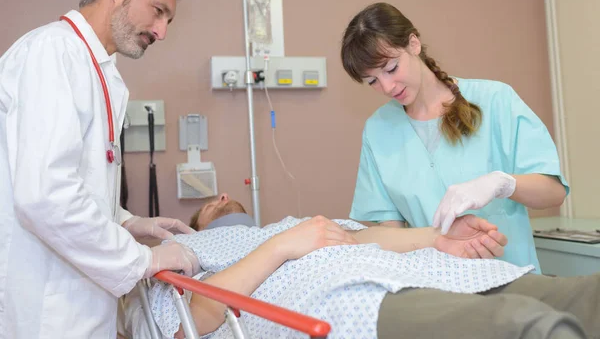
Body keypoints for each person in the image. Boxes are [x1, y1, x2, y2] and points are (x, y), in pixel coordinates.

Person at [0, 0, 201, 338]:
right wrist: (145, 259)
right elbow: (45, 195)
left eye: (169, 20)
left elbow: (76, 180)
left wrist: (128, 221)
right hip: (44, 307)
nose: (161, 31)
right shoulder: (52, 52)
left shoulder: (96, 69)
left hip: (76, 303)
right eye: (158, 11)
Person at [145, 200, 597, 339]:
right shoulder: (192, 246)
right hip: (347, 292)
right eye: (211, 203)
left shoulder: (295, 222)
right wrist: (281, 247)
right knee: (515, 326)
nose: (222, 199)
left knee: (580, 296)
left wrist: (436, 239)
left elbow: (363, 238)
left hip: (401, 265)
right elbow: (196, 318)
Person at [340, 2, 569, 272]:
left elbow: (553, 193)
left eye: (391, 69)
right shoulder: (379, 129)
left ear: (413, 44)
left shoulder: (496, 101)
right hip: (436, 290)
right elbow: (388, 232)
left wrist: (501, 183)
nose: (387, 86)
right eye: (373, 81)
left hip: (512, 279)